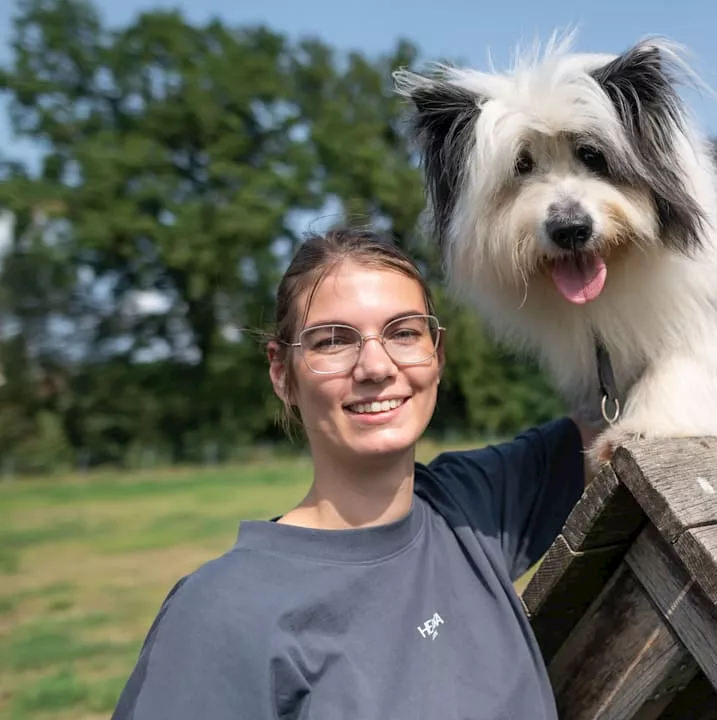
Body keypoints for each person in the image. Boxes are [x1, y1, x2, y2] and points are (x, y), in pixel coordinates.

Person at [112, 226, 600, 719]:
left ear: (437, 354)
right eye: (332, 341)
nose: (375, 366)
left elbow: (621, 415)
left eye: (404, 332)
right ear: (282, 374)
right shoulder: (223, 614)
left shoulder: (471, 502)